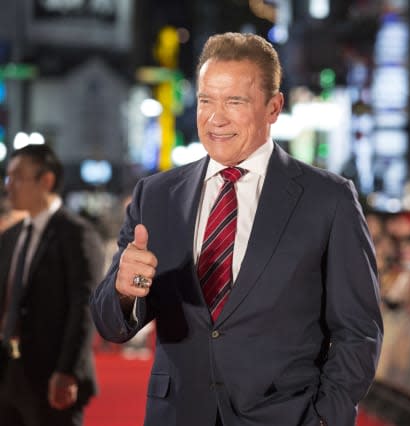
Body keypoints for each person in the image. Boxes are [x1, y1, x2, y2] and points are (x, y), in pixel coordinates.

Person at [90, 32, 383, 426]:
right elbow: (110, 322)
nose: (215, 118)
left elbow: (357, 331)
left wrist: (325, 418)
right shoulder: (157, 196)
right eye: (206, 100)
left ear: (274, 107)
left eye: (235, 102)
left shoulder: (328, 198)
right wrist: (124, 293)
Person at [0, 144, 104, 425]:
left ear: (45, 180)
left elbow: (84, 307)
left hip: (52, 378)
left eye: (16, 177)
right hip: (8, 374)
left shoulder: (78, 235)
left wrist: (68, 370)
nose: (8, 186)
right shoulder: (11, 236)